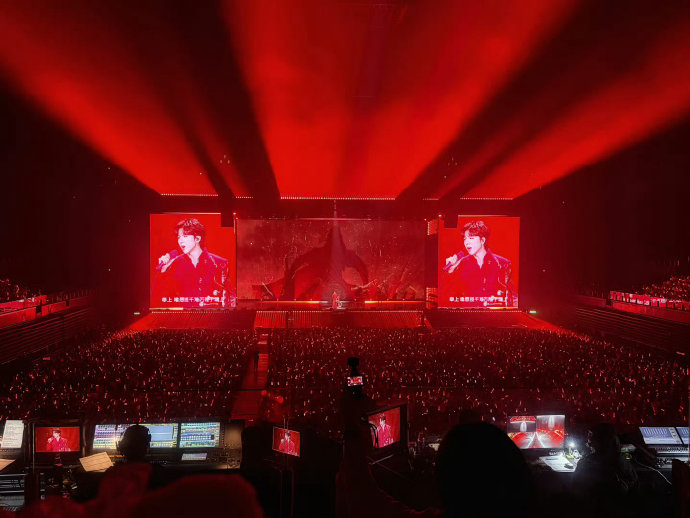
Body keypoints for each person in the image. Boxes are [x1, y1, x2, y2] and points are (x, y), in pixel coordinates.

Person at [153, 218, 234, 307]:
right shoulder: (175, 264)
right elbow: (158, 299)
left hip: (212, 314)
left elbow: (230, 300)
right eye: (179, 237)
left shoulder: (220, 263)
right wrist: (162, 272)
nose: (180, 241)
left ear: (197, 239)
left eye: (185, 236)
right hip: (184, 315)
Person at [444, 220, 515, 306]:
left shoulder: (502, 264)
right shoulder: (461, 264)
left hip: (494, 313)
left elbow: (513, 298)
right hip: (468, 313)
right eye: (465, 239)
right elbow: (447, 298)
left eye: (471, 238)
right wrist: (450, 272)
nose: (466, 242)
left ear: (482, 240)